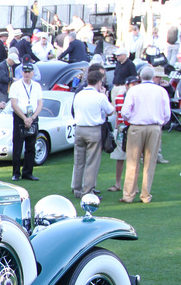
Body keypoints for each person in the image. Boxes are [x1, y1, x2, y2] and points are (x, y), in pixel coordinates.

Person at [120, 66, 171, 203]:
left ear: (140, 77)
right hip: (154, 127)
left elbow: (125, 111)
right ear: (153, 77)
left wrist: (131, 119)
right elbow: (167, 114)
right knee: (150, 162)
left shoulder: (134, 90)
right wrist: (160, 123)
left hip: (137, 126)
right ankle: (145, 195)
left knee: (132, 161)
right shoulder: (161, 91)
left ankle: (128, 195)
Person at [71, 68, 115, 198]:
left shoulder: (79, 94)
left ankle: (77, 189)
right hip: (93, 130)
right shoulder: (99, 96)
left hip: (79, 128)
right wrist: (105, 95)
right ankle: (88, 191)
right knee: (92, 162)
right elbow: (110, 111)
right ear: (99, 82)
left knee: (79, 161)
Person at [8, 63, 42, 181]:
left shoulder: (37, 86)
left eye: (29, 72)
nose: (27, 74)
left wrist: (32, 118)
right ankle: (16, 172)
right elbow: (14, 104)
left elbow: (40, 104)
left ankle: (28, 172)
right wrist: (24, 118)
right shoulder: (16, 85)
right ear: (22, 73)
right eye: (25, 72)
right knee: (17, 146)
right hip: (20, 117)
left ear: (33, 73)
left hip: (32, 117)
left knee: (31, 146)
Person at [107, 76, 139, 192]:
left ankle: (133, 185)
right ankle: (118, 183)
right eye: (133, 84)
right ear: (127, 85)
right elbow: (117, 116)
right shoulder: (119, 98)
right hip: (121, 130)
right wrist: (116, 130)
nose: (135, 86)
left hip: (133, 129)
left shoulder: (138, 98)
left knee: (133, 159)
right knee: (120, 157)